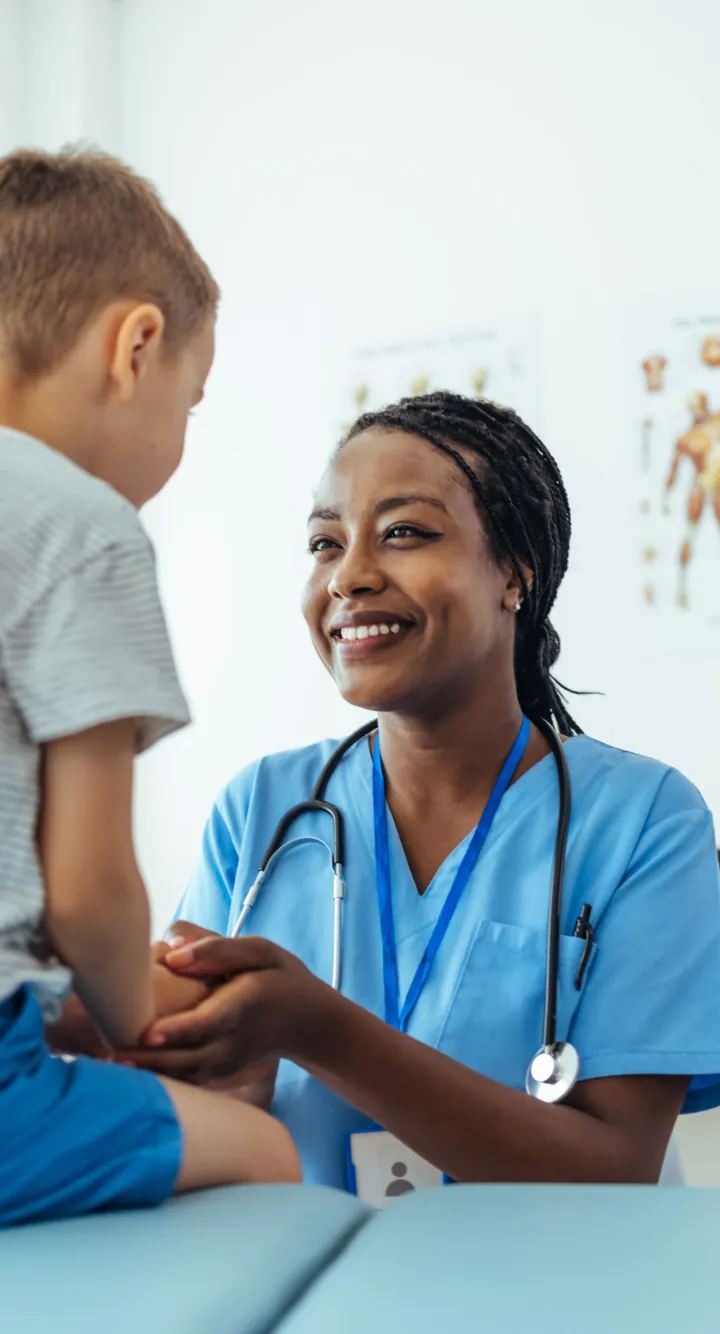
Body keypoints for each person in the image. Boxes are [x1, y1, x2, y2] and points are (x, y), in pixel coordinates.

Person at [130, 391, 720, 1191]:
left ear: (515, 572)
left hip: (550, 1299)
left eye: (404, 532)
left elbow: (616, 1168)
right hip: (308, 1291)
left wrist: (321, 1031)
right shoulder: (262, 808)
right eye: (324, 543)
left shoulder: (645, 820)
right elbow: (189, 1086)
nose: (349, 576)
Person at [0, 148, 300, 1228]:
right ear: (136, 347)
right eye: (193, 400)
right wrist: (140, 1019)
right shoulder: (79, 526)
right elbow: (87, 885)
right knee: (263, 1149)